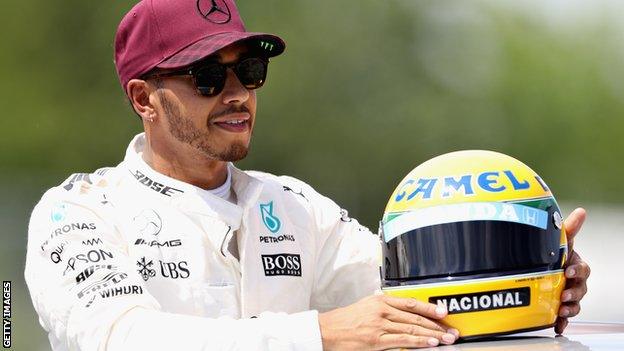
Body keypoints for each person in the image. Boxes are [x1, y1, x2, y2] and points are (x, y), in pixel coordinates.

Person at [24, 0, 590, 350]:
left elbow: (421, 303)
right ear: (143, 98)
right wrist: (322, 335)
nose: (238, 92)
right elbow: (123, 341)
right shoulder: (76, 212)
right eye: (206, 76)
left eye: (249, 69)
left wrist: (529, 275)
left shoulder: (297, 206)